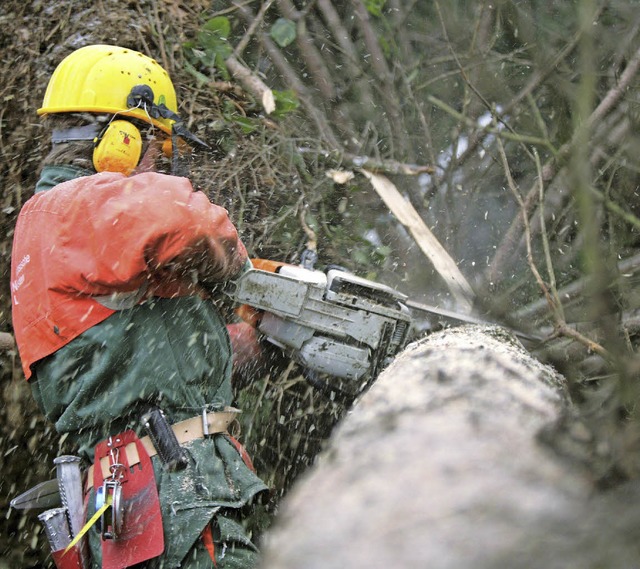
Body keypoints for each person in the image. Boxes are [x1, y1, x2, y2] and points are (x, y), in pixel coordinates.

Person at [10, 44, 269, 568]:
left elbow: (126, 358)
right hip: (173, 494)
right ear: (123, 140)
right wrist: (238, 271)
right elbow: (191, 222)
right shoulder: (74, 206)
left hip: (145, 491)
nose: (155, 164)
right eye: (155, 147)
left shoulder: (68, 226)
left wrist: (234, 340)